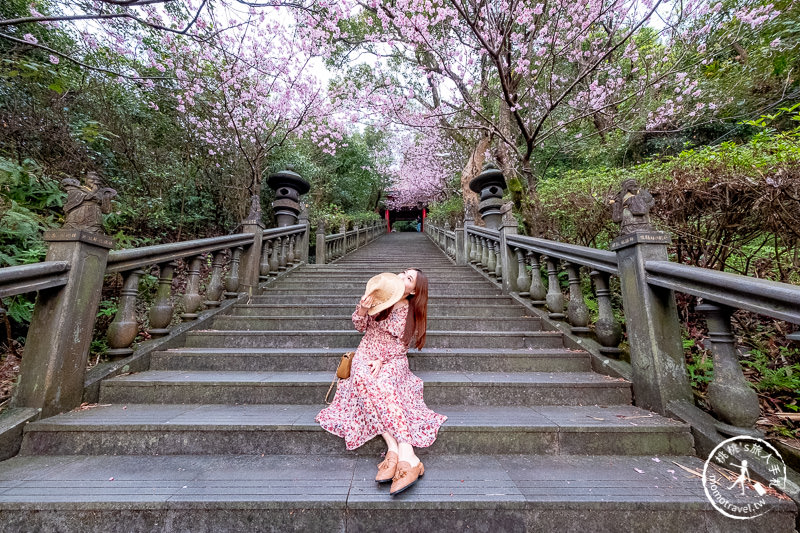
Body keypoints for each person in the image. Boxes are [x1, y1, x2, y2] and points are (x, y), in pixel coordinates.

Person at [316, 269, 447, 496]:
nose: (403, 276)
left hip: (391, 359)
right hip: (366, 352)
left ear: (414, 290)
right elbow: (360, 326)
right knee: (363, 380)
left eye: (409, 278)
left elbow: (403, 345)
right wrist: (363, 309)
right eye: (404, 272)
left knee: (384, 384)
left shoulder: (410, 311)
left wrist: (383, 359)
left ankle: (406, 453)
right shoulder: (383, 295)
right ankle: (396, 449)